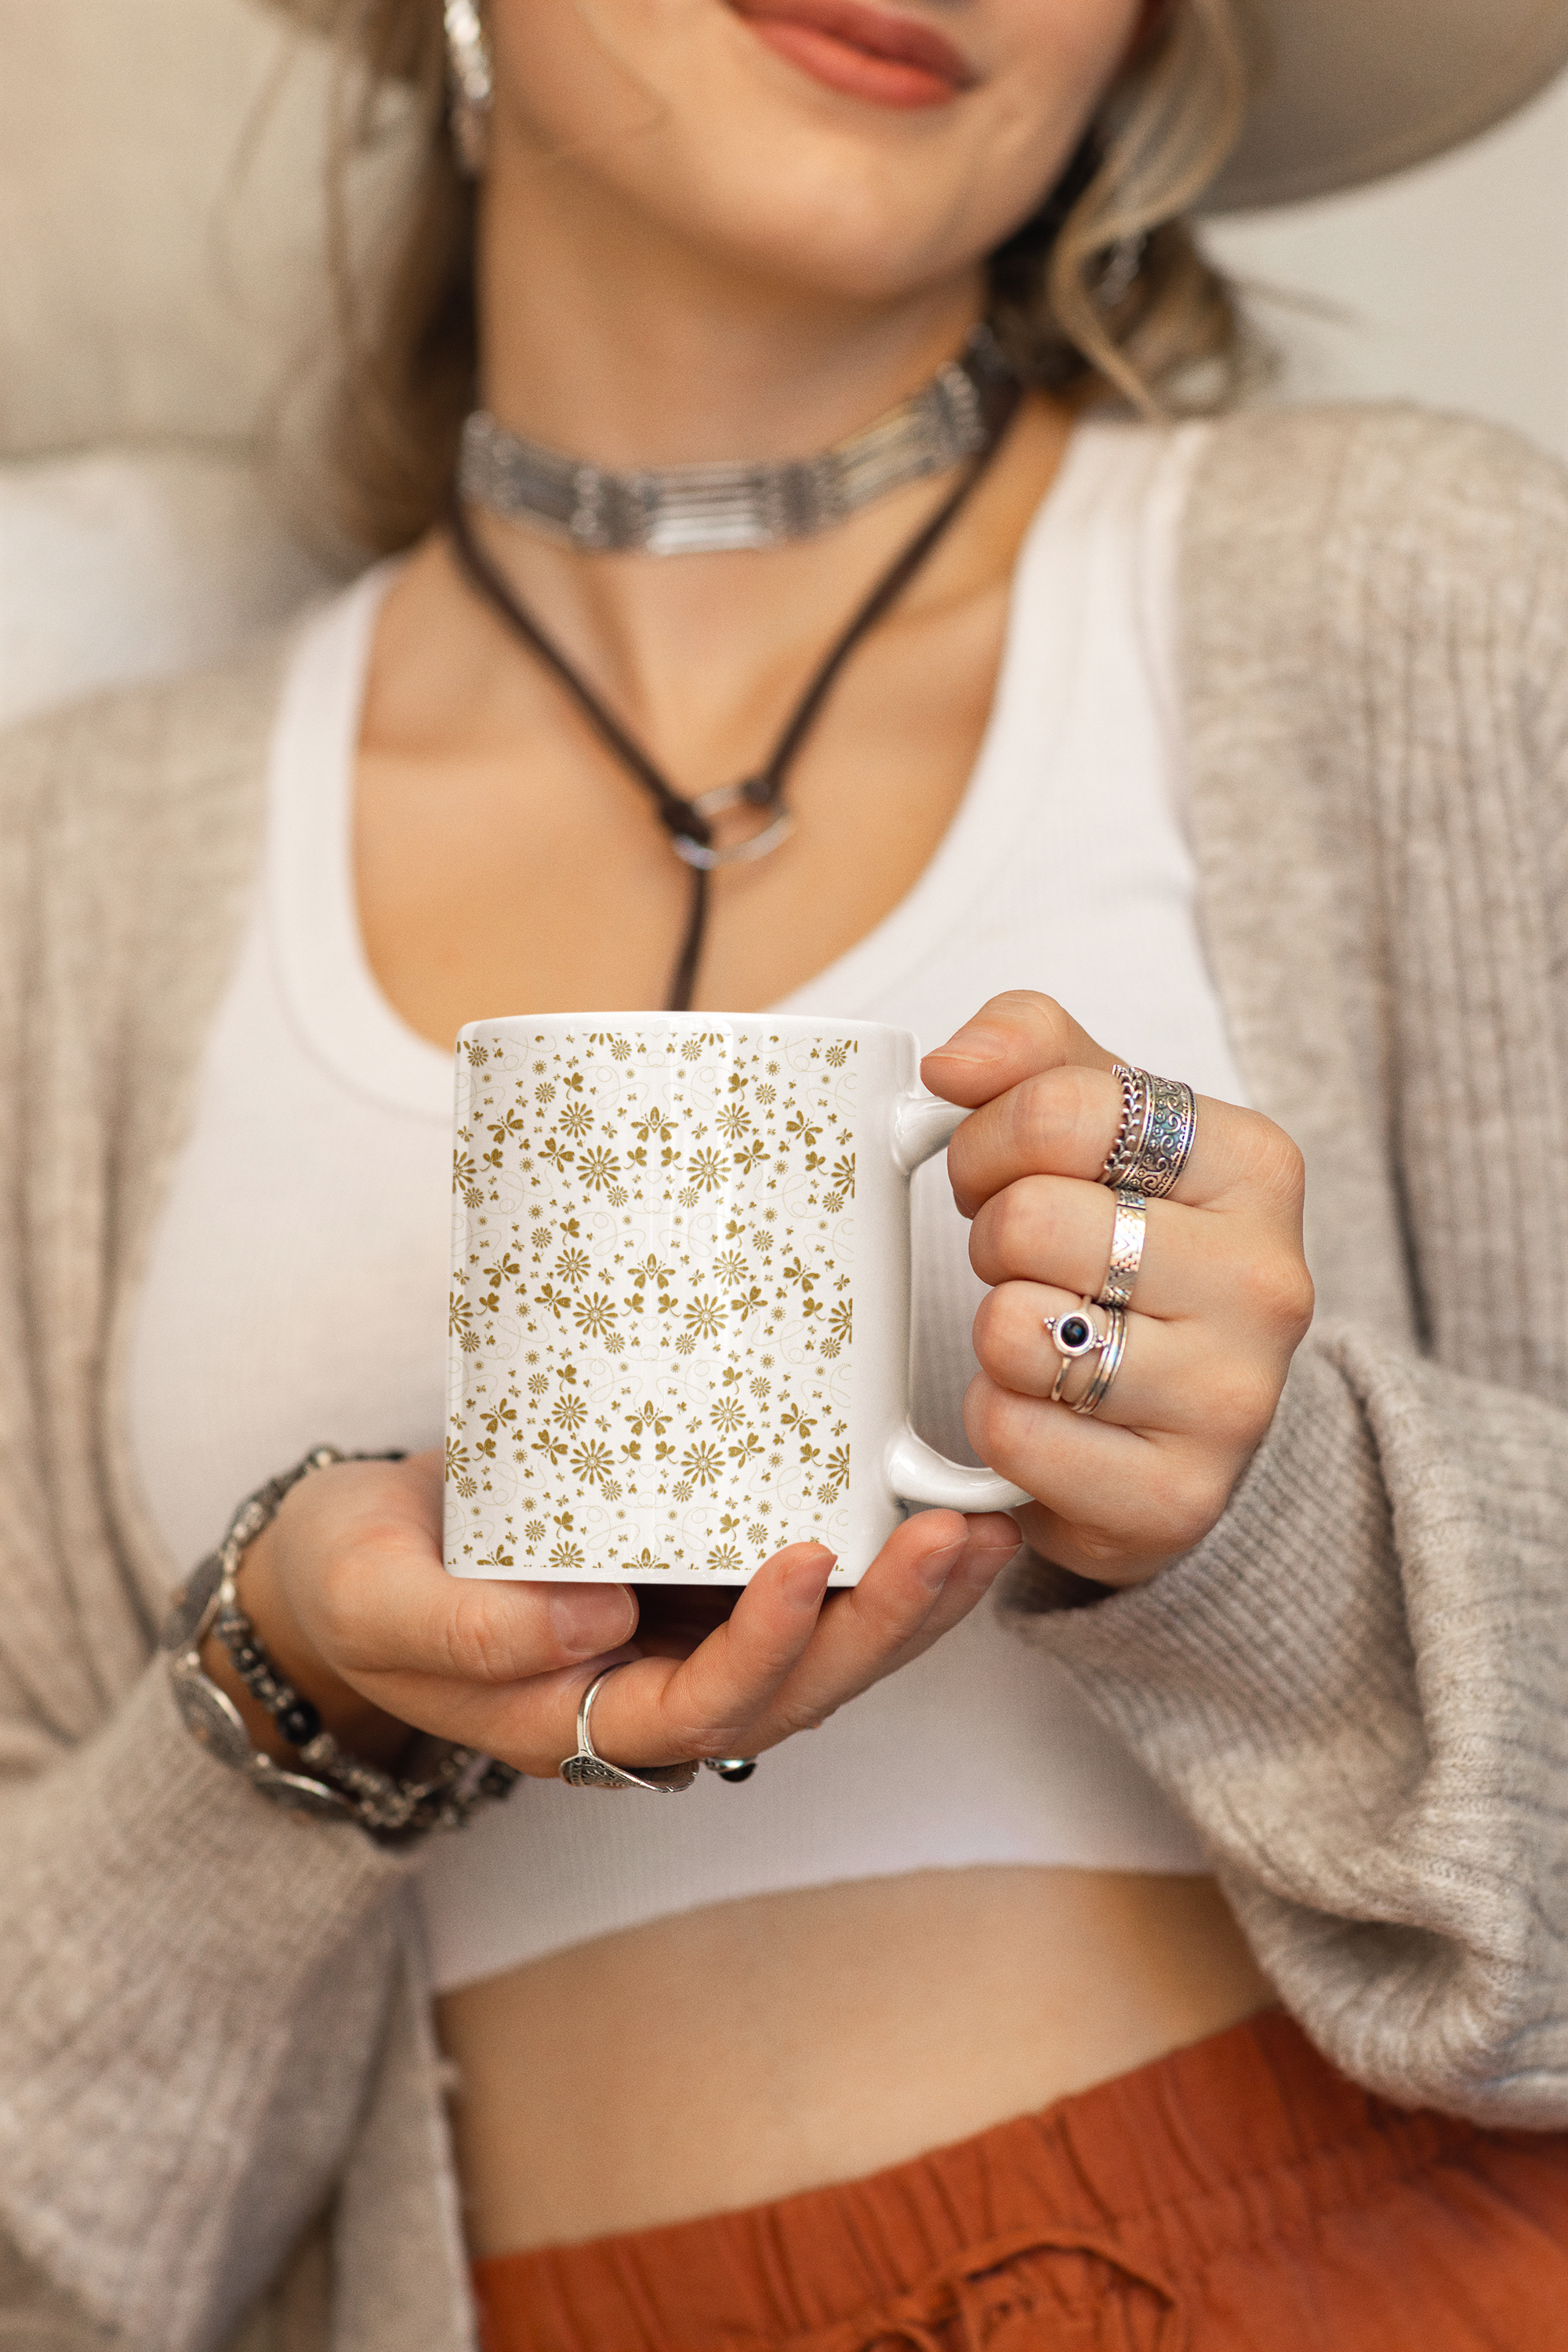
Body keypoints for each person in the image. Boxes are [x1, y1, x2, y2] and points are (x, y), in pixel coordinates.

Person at [3, 0, 1568, 2345]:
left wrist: (1283, 1533)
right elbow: (53, 2243)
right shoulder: (67, 885)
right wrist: (291, 1695)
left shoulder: (1421, 601)